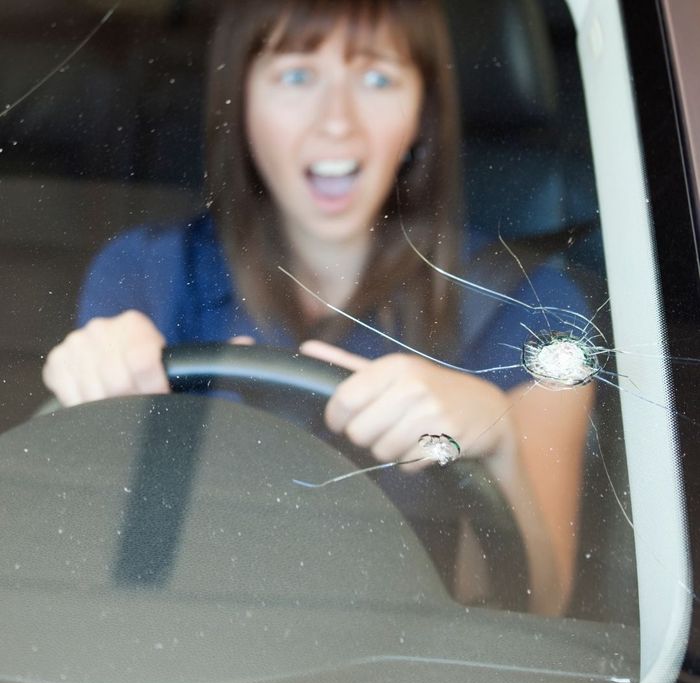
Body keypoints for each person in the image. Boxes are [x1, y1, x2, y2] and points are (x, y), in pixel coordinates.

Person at [42, 0, 593, 615]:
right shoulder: (147, 273)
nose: (338, 123)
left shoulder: (533, 309)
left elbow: (537, 611)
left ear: (421, 111)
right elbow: (87, 573)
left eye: (378, 77)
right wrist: (93, 391)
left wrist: (500, 445)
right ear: (242, 101)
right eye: (297, 76)